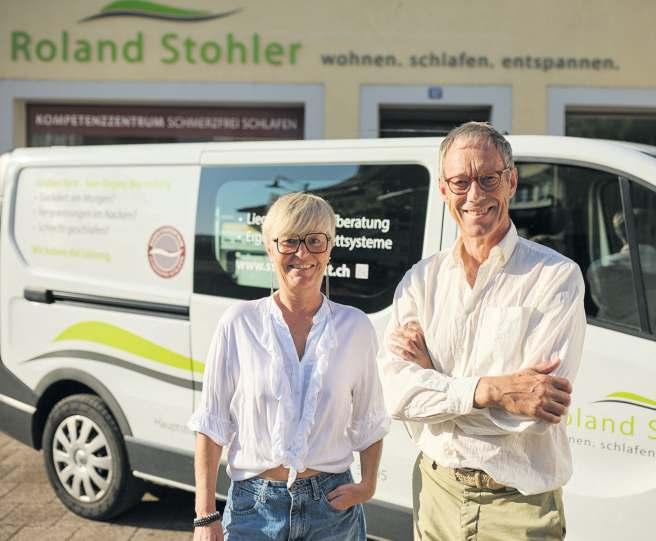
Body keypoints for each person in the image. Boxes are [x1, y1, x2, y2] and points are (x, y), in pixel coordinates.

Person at [381, 122, 586, 540]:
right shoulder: (422, 280)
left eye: (488, 178)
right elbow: (395, 395)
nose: (474, 195)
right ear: (444, 189)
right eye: (460, 182)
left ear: (511, 181)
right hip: (435, 491)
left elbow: (533, 415)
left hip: (517, 503)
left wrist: (433, 379)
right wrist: (491, 390)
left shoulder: (556, 277)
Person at [188, 192, 390, 541]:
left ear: (329, 248)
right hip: (255, 510)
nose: (303, 254)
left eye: (315, 241)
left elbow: (369, 418)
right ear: (269, 248)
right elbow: (211, 422)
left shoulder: (355, 326)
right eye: (290, 241)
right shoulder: (239, 323)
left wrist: (368, 485)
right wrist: (205, 516)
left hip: (332, 509)